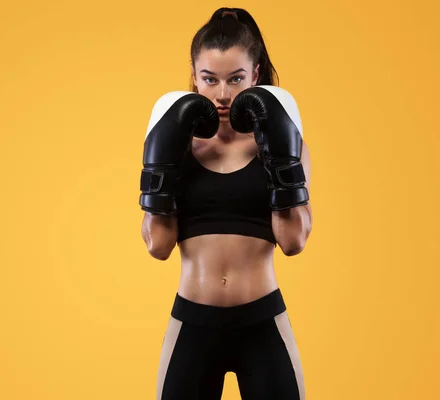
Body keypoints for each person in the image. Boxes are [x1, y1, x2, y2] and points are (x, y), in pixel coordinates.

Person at [139, 7, 312, 400]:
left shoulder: (286, 141)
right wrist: (162, 165)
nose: (222, 93)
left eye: (235, 79)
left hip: (262, 319)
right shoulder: (175, 142)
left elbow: (293, 242)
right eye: (209, 79)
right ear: (194, 77)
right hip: (193, 322)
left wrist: (281, 161)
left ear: (255, 76)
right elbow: (158, 246)